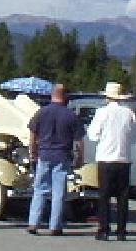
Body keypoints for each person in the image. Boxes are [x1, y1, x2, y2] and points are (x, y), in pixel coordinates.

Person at [27, 84, 84, 236]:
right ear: (65, 96)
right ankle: (55, 226)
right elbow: (79, 141)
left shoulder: (41, 112)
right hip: (62, 155)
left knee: (40, 189)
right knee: (58, 193)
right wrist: (80, 158)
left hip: (44, 154)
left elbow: (32, 134)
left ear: (52, 95)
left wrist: (32, 152)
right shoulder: (71, 115)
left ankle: (33, 223)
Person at [87, 82, 136, 242]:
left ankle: (104, 230)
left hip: (106, 158)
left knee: (104, 196)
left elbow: (93, 135)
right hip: (123, 159)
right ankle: (121, 231)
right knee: (123, 196)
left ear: (107, 97)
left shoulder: (101, 113)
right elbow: (135, 137)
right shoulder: (129, 113)